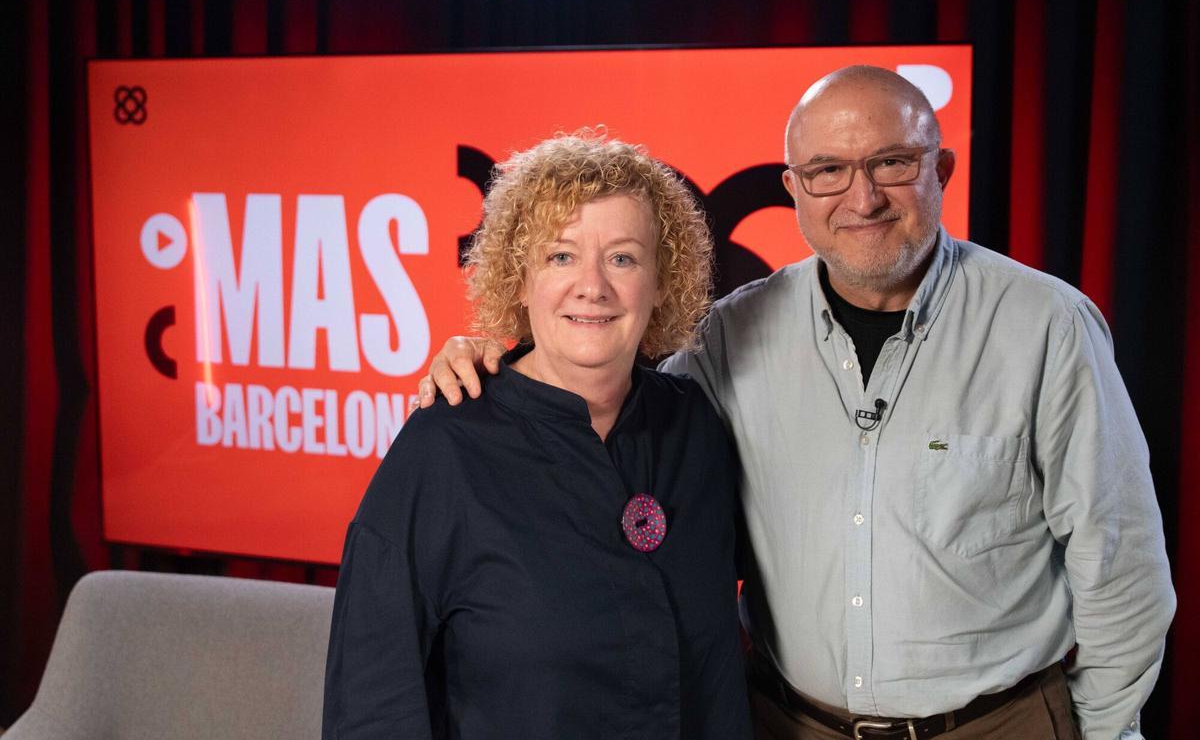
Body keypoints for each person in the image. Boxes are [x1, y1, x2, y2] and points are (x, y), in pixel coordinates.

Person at [417, 66, 1175, 739]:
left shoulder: (1046, 326)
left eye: (892, 162)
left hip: (997, 724)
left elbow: (1122, 567)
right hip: (787, 723)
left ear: (940, 168)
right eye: (828, 170)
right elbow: (599, 392)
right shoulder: (729, 335)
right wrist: (496, 360)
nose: (863, 196)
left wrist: (1103, 729)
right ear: (793, 190)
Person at [322, 132, 752, 739]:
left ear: (661, 283)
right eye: (560, 256)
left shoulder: (695, 427)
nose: (593, 286)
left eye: (624, 258)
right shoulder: (444, 446)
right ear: (518, 280)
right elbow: (373, 700)